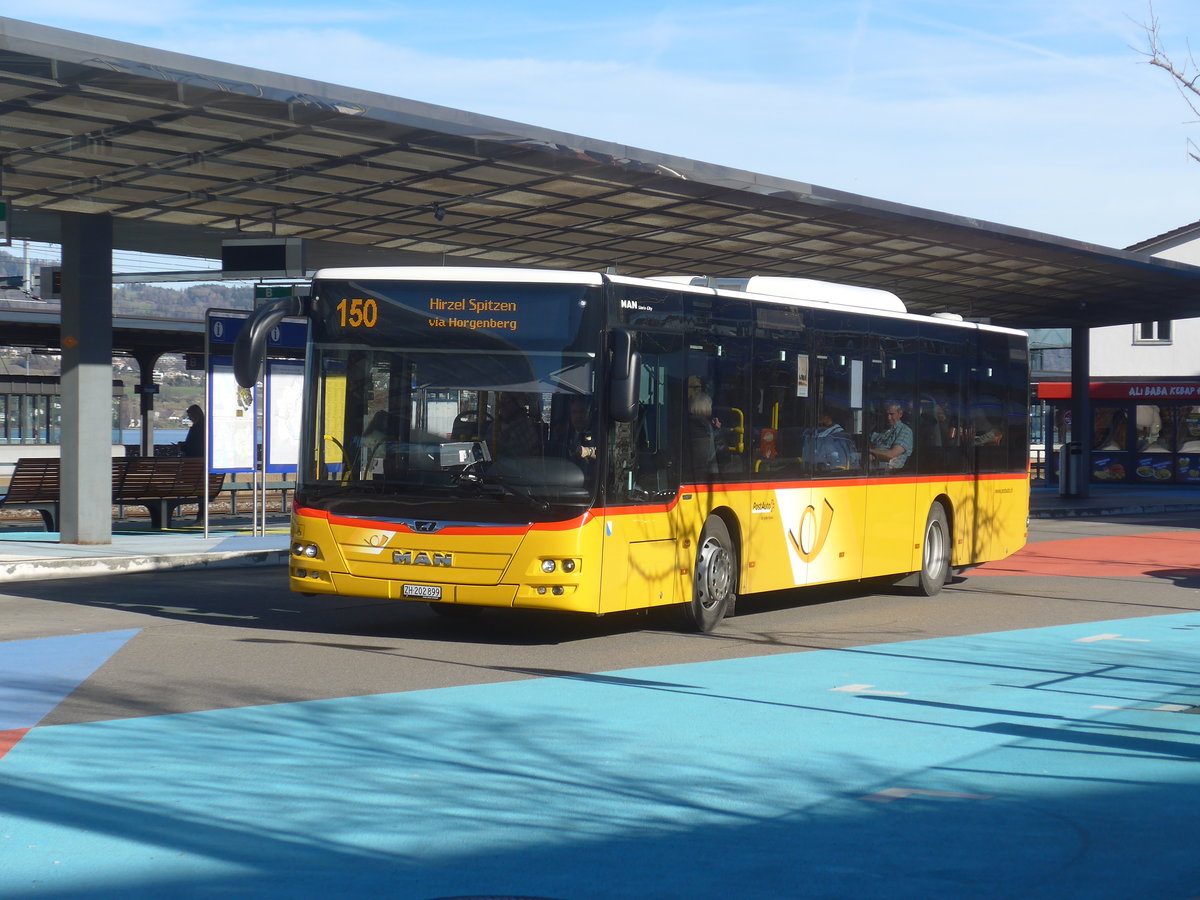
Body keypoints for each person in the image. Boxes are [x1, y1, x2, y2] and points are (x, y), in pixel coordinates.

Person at [495, 393, 542, 457]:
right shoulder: (495, 425)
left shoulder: (525, 428)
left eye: (507, 401)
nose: (501, 405)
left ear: (518, 405)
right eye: (500, 401)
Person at [869, 402, 912, 470]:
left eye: (892, 414)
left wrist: (869, 451)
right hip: (872, 466)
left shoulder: (904, 431)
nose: (888, 418)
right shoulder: (881, 430)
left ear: (900, 414)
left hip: (890, 472)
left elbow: (892, 455)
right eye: (886, 414)